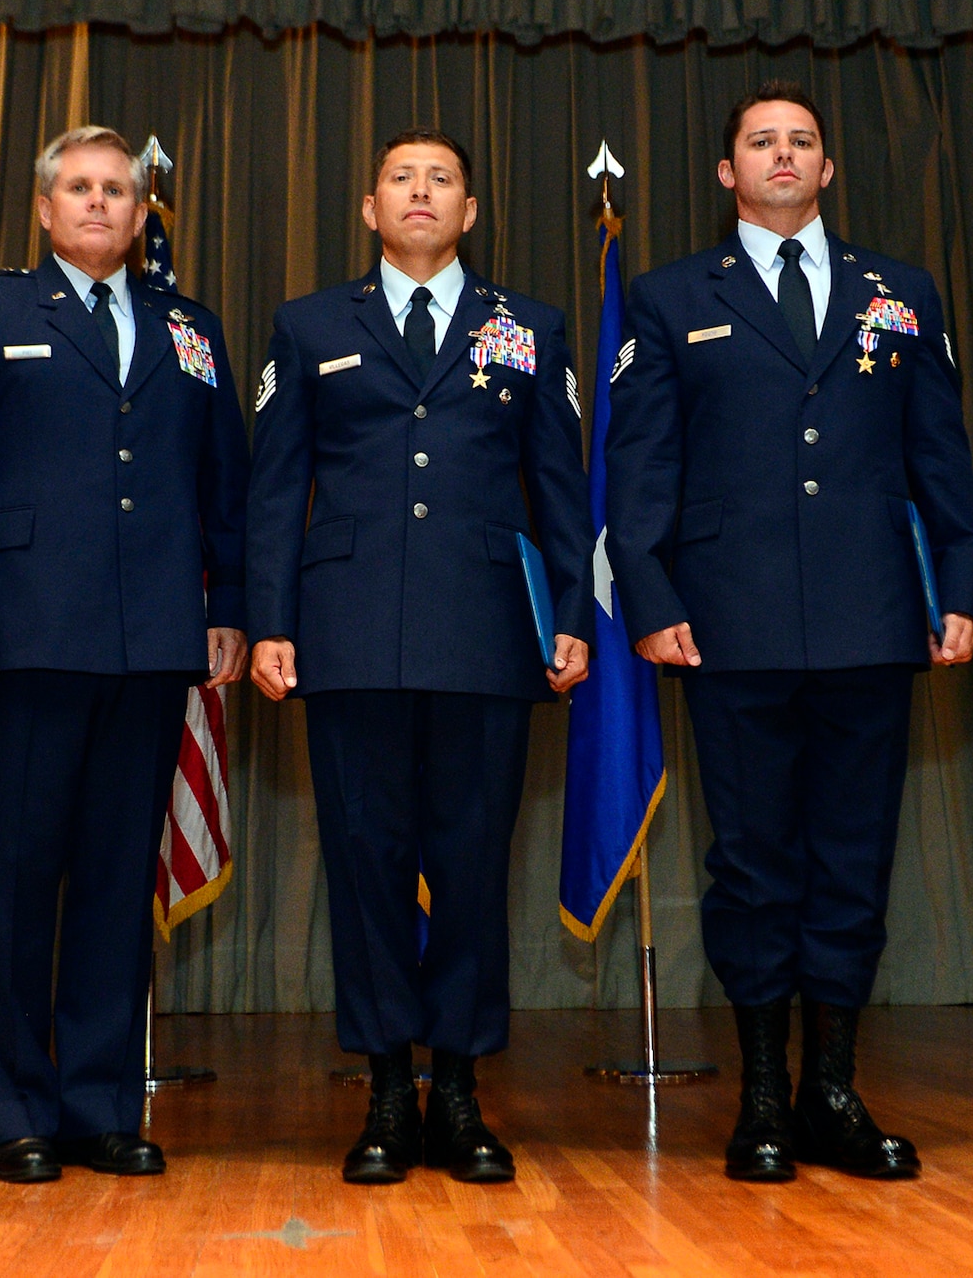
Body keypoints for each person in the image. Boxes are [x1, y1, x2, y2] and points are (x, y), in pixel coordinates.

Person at [606, 82, 973, 1183]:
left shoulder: (898, 293)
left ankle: (832, 1087)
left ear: (826, 168)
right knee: (753, 862)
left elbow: (940, 457)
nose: (782, 155)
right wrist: (650, 595)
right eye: (759, 141)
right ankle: (763, 1094)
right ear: (726, 171)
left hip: (874, 619)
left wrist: (957, 582)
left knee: (850, 860)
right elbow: (639, 470)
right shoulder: (670, 296)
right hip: (726, 624)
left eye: (802, 141)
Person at [0, 126, 250, 1184]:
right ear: (46, 209)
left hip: (150, 643)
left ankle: (100, 1103)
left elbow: (220, 481)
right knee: (17, 879)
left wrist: (225, 605)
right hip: (20, 638)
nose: (101, 204)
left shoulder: (189, 325)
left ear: (144, 215)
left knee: (110, 885)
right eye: (81, 189)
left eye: (120, 191)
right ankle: (15, 1107)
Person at [246, 129, 594, 1186]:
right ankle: (387, 1091)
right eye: (401, 177)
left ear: (469, 211)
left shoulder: (527, 326)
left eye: (440, 179)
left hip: (487, 634)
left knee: (475, 867)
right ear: (368, 207)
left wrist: (571, 609)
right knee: (367, 868)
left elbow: (560, 485)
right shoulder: (308, 325)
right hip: (346, 634)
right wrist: (270, 620)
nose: (420, 192)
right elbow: (272, 488)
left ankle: (461, 1091)